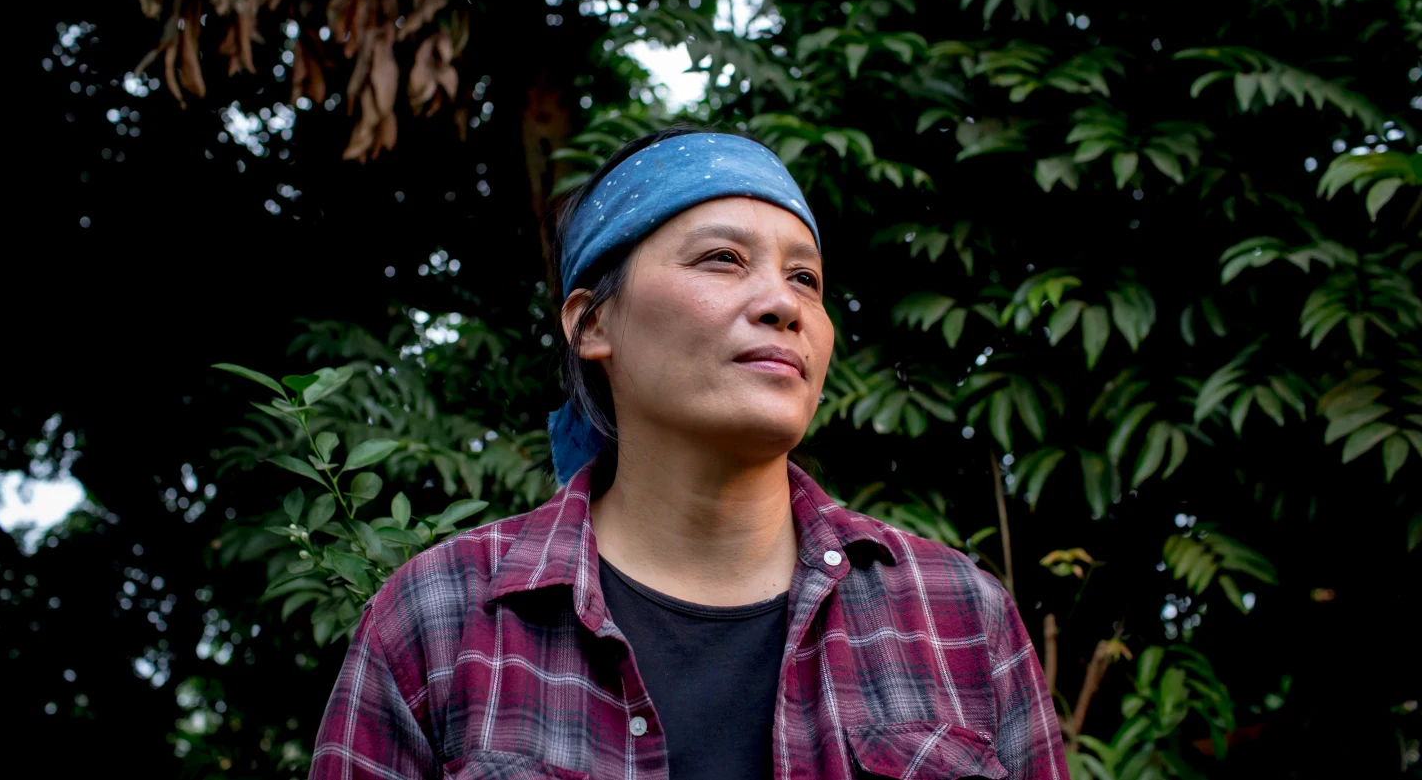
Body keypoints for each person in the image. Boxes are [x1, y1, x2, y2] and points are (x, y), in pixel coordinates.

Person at [309, 125, 1067, 780]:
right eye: (722, 260)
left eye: (805, 277)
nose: (783, 303)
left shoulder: (959, 614)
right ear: (592, 324)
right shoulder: (435, 623)